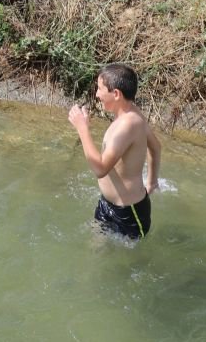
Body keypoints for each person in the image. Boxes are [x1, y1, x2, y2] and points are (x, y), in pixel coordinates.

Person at [68, 63, 162, 240]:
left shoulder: (128, 124)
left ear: (116, 94)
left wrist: (82, 128)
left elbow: (100, 169)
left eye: (100, 89)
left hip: (129, 212)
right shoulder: (131, 114)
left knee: (130, 256)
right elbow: (156, 148)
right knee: (96, 248)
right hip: (106, 204)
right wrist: (152, 182)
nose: (97, 94)